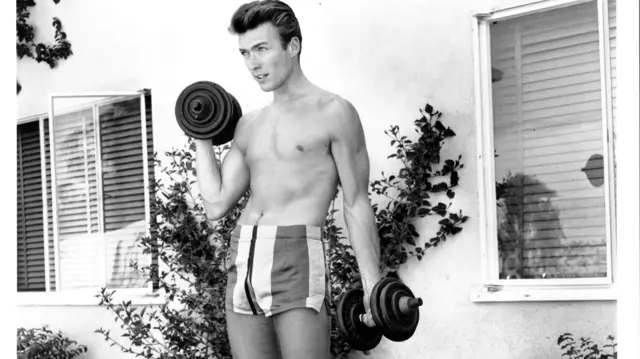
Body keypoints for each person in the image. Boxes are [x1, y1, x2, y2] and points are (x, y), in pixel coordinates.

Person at [195, 1, 382, 358]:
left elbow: (356, 201)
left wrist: (372, 283)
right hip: (243, 255)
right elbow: (216, 203)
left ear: (292, 46)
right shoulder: (249, 125)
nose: (253, 63)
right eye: (245, 53)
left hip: (296, 253)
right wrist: (200, 135)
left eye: (262, 49)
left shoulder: (334, 113)